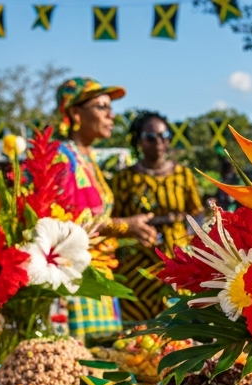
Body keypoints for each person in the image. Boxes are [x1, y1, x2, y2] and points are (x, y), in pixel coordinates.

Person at [52, 77, 157, 341]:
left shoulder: (87, 157)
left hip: (99, 272)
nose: (111, 115)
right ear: (75, 113)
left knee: (104, 365)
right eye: (101, 106)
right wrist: (123, 226)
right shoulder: (61, 156)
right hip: (73, 279)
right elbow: (60, 224)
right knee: (76, 368)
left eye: (110, 107)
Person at [109, 111, 204, 321]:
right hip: (136, 264)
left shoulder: (183, 175)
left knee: (176, 323)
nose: (159, 141)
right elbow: (114, 219)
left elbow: (196, 212)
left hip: (175, 258)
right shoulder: (124, 178)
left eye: (164, 135)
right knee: (139, 327)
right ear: (138, 141)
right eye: (150, 137)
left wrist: (192, 242)